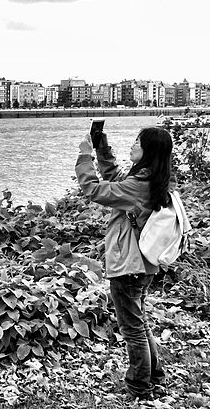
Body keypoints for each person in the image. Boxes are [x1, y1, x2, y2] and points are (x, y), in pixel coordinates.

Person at [75, 126, 172, 400]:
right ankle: (155, 378)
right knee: (140, 324)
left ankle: (139, 385)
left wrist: (84, 157)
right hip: (143, 265)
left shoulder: (138, 186)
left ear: (147, 152)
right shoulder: (152, 179)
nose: (132, 146)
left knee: (132, 329)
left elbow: (93, 189)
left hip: (129, 266)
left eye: (137, 143)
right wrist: (101, 146)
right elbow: (114, 177)